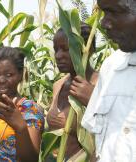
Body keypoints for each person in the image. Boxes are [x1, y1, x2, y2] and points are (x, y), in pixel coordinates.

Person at [81, 0, 136, 161]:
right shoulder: (111, 66)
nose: (104, 23)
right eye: (105, 12)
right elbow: (98, 149)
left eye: (115, 12)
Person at [0, 47, 44, 162]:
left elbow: (31, 159)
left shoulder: (30, 109)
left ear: (20, 75)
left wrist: (20, 127)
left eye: (8, 75)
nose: (1, 80)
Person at [46, 24, 98, 160]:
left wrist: (93, 98)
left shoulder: (101, 85)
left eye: (65, 49)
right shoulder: (58, 85)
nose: (58, 55)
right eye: (56, 49)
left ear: (88, 49)